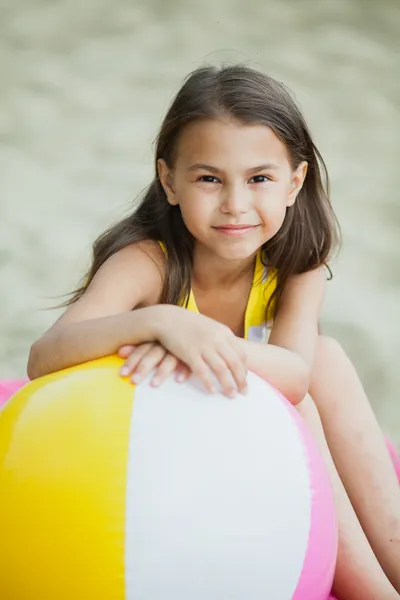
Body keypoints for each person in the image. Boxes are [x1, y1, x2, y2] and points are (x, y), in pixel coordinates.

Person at [28, 65, 400, 599]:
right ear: (169, 181)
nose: (235, 204)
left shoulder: (297, 260)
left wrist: (201, 344)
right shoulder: (147, 260)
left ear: (295, 183)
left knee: (329, 357)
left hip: (240, 442)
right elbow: (44, 357)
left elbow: (296, 371)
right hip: (152, 461)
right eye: (209, 178)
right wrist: (162, 321)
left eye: (259, 178)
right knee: (306, 405)